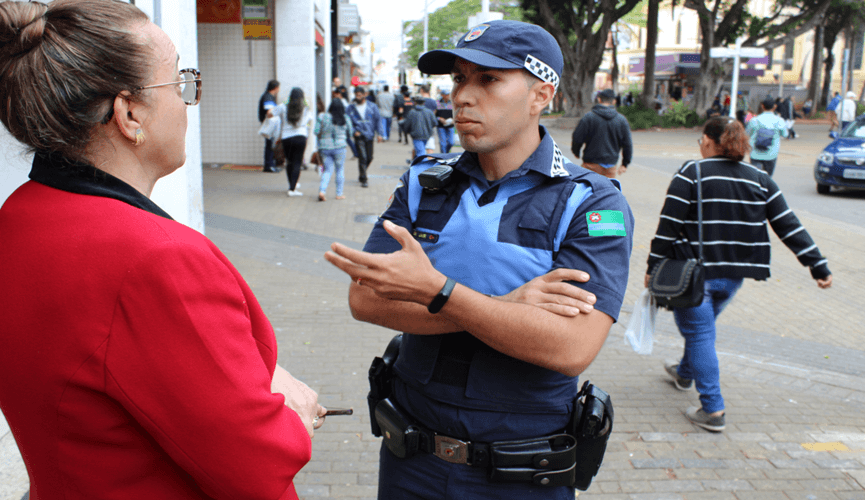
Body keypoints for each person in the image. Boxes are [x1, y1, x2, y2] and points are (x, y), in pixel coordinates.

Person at [0, 1, 324, 497]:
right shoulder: (156, 258)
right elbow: (258, 465)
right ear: (129, 113)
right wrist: (291, 411)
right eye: (178, 83)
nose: (187, 100)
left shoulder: (21, 213)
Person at [324, 19, 633, 499]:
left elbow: (570, 347)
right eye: (459, 79)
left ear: (541, 94)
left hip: (522, 472)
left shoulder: (589, 202)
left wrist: (437, 292)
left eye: (488, 79)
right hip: (411, 462)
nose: (463, 96)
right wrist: (506, 304)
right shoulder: (425, 183)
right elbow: (365, 301)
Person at [646, 116, 832, 432]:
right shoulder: (760, 178)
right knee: (700, 330)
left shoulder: (692, 173)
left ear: (708, 140)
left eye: (701, 140)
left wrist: (652, 267)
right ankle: (685, 373)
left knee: (700, 333)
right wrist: (818, 265)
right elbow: (788, 224)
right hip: (733, 277)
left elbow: (668, 226)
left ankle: (713, 410)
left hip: (694, 274)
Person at [571, 88, 633, 180]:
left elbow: (577, 137)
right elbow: (627, 144)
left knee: (589, 190)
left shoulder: (589, 117)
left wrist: (576, 151)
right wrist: (625, 164)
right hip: (611, 165)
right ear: (614, 101)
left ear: (599, 99)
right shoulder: (621, 120)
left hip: (591, 164)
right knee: (607, 191)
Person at [270, 87, 313, 196]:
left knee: (289, 162)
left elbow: (270, 114)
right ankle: (292, 189)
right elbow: (310, 120)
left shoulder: (283, 106)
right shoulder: (306, 107)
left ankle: (292, 184)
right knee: (297, 163)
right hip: (301, 137)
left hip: (286, 138)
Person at [315, 98, 353, 201]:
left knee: (327, 170)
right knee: (340, 170)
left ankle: (322, 191)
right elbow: (351, 132)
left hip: (325, 147)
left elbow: (316, 130)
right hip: (340, 147)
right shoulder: (345, 118)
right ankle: (339, 194)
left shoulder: (322, 117)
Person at [346, 86, 383, 188]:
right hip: (359, 135)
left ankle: (362, 173)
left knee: (369, 157)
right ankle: (364, 179)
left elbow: (378, 120)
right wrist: (353, 132)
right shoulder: (350, 108)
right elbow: (347, 122)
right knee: (363, 157)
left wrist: (380, 134)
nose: (357, 97)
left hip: (370, 135)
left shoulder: (372, 106)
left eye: (359, 95)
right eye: (356, 95)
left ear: (364, 95)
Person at [745, 97, 788, 176]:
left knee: (755, 176)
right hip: (771, 153)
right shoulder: (779, 120)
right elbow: (785, 134)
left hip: (755, 152)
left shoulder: (755, 120)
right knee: (768, 177)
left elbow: (747, 134)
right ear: (774, 107)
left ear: (762, 106)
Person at [403, 95, 437, 159]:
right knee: (420, 150)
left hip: (416, 135)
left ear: (415, 102)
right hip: (427, 135)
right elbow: (435, 123)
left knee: (420, 153)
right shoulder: (429, 112)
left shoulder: (412, 112)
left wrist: (407, 132)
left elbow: (407, 124)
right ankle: (416, 164)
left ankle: (421, 167)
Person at [259, 79, 281, 173]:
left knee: (270, 144)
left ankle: (270, 164)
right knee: (270, 145)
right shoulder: (268, 97)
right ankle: (269, 165)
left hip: (270, 124)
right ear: (275, 88)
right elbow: (269, 112)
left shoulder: (268, 96)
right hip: (270, 124)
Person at [435, 88, 455, 153]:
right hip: (441, 126)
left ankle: (446, 153)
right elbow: (434, 115)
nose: (448, 96)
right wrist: (439, 118)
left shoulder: (452, 103)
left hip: (450, 125)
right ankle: (444, 157)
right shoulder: (438, 103)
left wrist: (454, 120)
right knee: (443, 144)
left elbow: (456, 113)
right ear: (442, 95)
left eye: (449, 94)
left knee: (451, 142)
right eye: (446, 95)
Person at [420, 83, 438, 153]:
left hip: (419, 126)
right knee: (430, 148)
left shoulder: (418, 101)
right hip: (429, 128)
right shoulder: (433, 102)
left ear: (421, 90)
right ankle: (430, 163)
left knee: (418, 146)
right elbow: (434, 115)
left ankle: (416, 162)